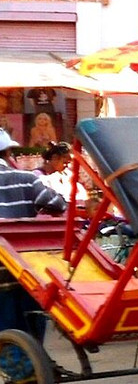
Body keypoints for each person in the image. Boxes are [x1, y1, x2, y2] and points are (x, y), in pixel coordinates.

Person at [0, 128, 67, 338]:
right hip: (26, 268)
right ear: (8, 153)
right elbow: (58, 204)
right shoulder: (27, 178)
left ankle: (13, 367)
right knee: (30, 327)